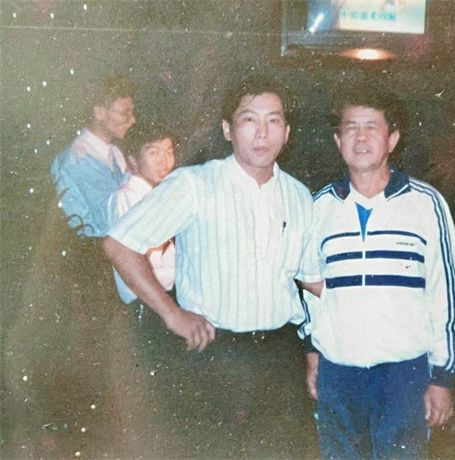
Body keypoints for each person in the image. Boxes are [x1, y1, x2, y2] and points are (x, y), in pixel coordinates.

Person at [102, 74, 319, 457]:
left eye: (273, 120)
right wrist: (171, 314)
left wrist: (313, 351)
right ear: (228, 129)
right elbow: (119, 244)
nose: (262, 132)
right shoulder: (194, 184)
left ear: (287, 132)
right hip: (216, 354)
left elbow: (311, 282)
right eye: (249, 119)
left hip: (280, 357)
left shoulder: (299, 196)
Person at [301, 82, 455, 459]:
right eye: (351, 128)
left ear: (392, 139)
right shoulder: (319, 207)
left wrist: (442, 377)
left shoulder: (426, 204)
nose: (360, 137)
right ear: (338, 140)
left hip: (403, 376)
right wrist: (312, 351)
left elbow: (445, 293)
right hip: (338, 374)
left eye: (371, 127)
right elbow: (309, 288)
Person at [51, 74, 136, 237]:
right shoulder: (79, 159)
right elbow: (111, 219)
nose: (133, 120)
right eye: (125, 113)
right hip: (92, 247)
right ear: (99, 113)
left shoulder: (114, 152)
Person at [107, 123, 176, 311]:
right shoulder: (126, 197)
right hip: (146, 303)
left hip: (165, 296)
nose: (164, 161)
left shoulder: (158, 195)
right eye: (154, 153)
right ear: (133, 161)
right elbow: (135, 263)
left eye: (169, 152)